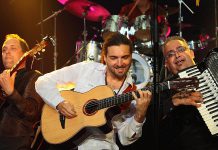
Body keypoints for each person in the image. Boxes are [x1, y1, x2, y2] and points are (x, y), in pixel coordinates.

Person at [35, 32, 152, 150]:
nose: (120, 63)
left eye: (125, 57)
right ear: (104, 57)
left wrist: (140, 114)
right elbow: (42, 82)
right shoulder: (87, 69)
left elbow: (125, 139)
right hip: (68, 143)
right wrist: (59, 103)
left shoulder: (133, 93)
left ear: (131, 57)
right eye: (113, 58)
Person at [159, 36, 218, 150]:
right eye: (170, 54)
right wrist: (172, 103)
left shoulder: (210, 67)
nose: (177, 55)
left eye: (181, 49)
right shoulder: (165, 88)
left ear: (191, 53)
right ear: (166, 64)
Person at [0, 34, 44, 149]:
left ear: (25, 54)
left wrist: (12, 93)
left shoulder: (34, 77)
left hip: (15, 144)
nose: (7, 52)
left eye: (13, 48)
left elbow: (32, 112)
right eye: (4, 50)